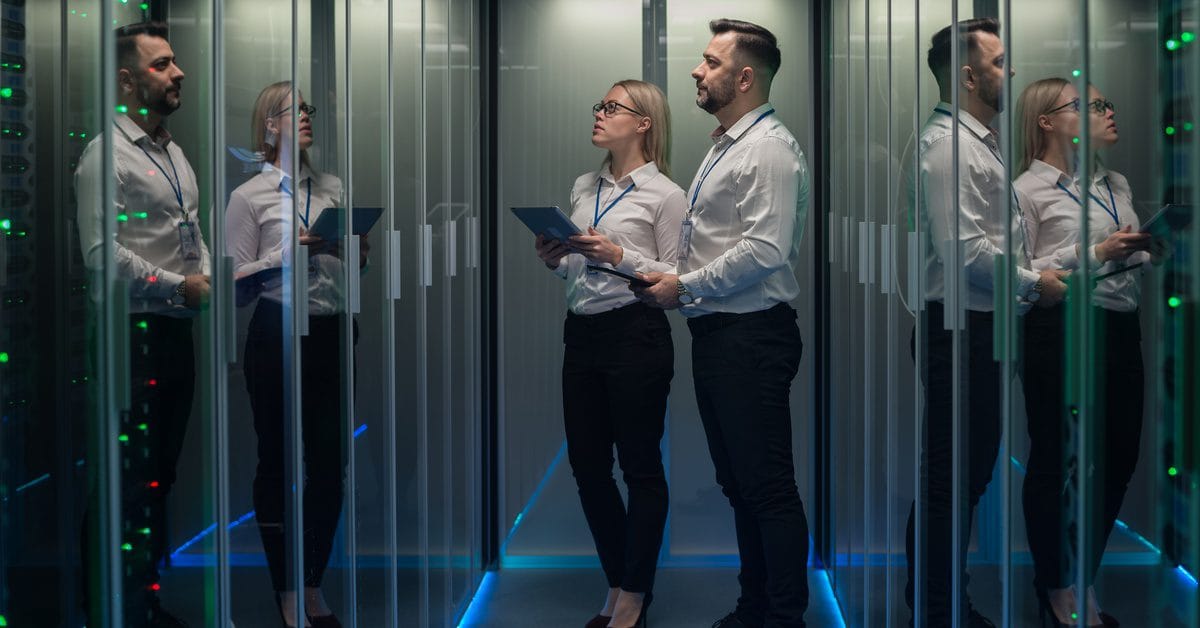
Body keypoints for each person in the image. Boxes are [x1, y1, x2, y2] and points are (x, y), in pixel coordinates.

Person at [633, 18, 810, 628]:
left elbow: (766, 251)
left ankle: (784, 616)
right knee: (740, 485)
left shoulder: (767, 149)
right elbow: (707, 248)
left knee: (766, 488)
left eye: (708, 62)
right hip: (721, 335)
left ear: (743, 76)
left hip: (751, 338)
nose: (695, 70)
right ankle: (755, 606)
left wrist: (683, 287)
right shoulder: (729, 142)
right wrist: (623, 258)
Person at [904, 18, 1070, 628]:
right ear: (968, 75)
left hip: (978, 331)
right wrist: (1035, 284)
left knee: (961, 479)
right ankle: (940, 610)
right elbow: (966, 252)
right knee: (954, 482)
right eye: (1000, 63)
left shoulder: (976, 140)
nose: (1010, 73)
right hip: (961, 333)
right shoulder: (951, 146)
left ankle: (939, 604)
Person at [533, 78, 684, 628]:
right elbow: (578, 268)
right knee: (588, 468)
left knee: (641, 469)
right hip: (583, 333)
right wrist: (557, 258)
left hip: (636, 334)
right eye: (598, 104)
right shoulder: (583, 184)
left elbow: (677, 277)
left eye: (611, 107)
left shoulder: (666, 194)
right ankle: (621, 582)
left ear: (642, 123)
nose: (598, 113)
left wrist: (619, 253)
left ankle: (633, 598)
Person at [75, 21, 210, 628]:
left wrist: (200, 274)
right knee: (128, 482)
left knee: (162, 477)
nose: (177, 72)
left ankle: (143, 604)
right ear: (127, 80)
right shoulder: (105, 155)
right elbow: (102, 258)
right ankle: (108, 609)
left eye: (173, 61)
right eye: (161, 65)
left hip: (175, 333)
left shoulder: (174, 153)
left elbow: (191, 234)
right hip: (134, 339)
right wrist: (179, 285)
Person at [225, 81, 367, 628]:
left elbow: (354, 269)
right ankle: (286, 592)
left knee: (330, 467)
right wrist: (290, 253)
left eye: (309, 108)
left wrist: (355, 251)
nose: (307, 116)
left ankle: (311, 585)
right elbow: (234, 282)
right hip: (276, 333)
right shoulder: (250, 196)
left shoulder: (330, 186)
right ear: (269, 126)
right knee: (278, 464)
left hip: (332, 332)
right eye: (294, 110)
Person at [1014, 79, 1152, 628]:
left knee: (1118, 460)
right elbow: (1025, 271)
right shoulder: (1026, 189)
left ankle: (1077, 576)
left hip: (1119, 325)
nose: (1108, 111)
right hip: (1063, 325)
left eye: (1107, 102)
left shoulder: (1114, 181)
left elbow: (1128, 254)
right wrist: (1098, 251)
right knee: (1054, 460)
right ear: (1048, 122)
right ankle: (1056, 588)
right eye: (1091, 106)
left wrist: (1146, 246)